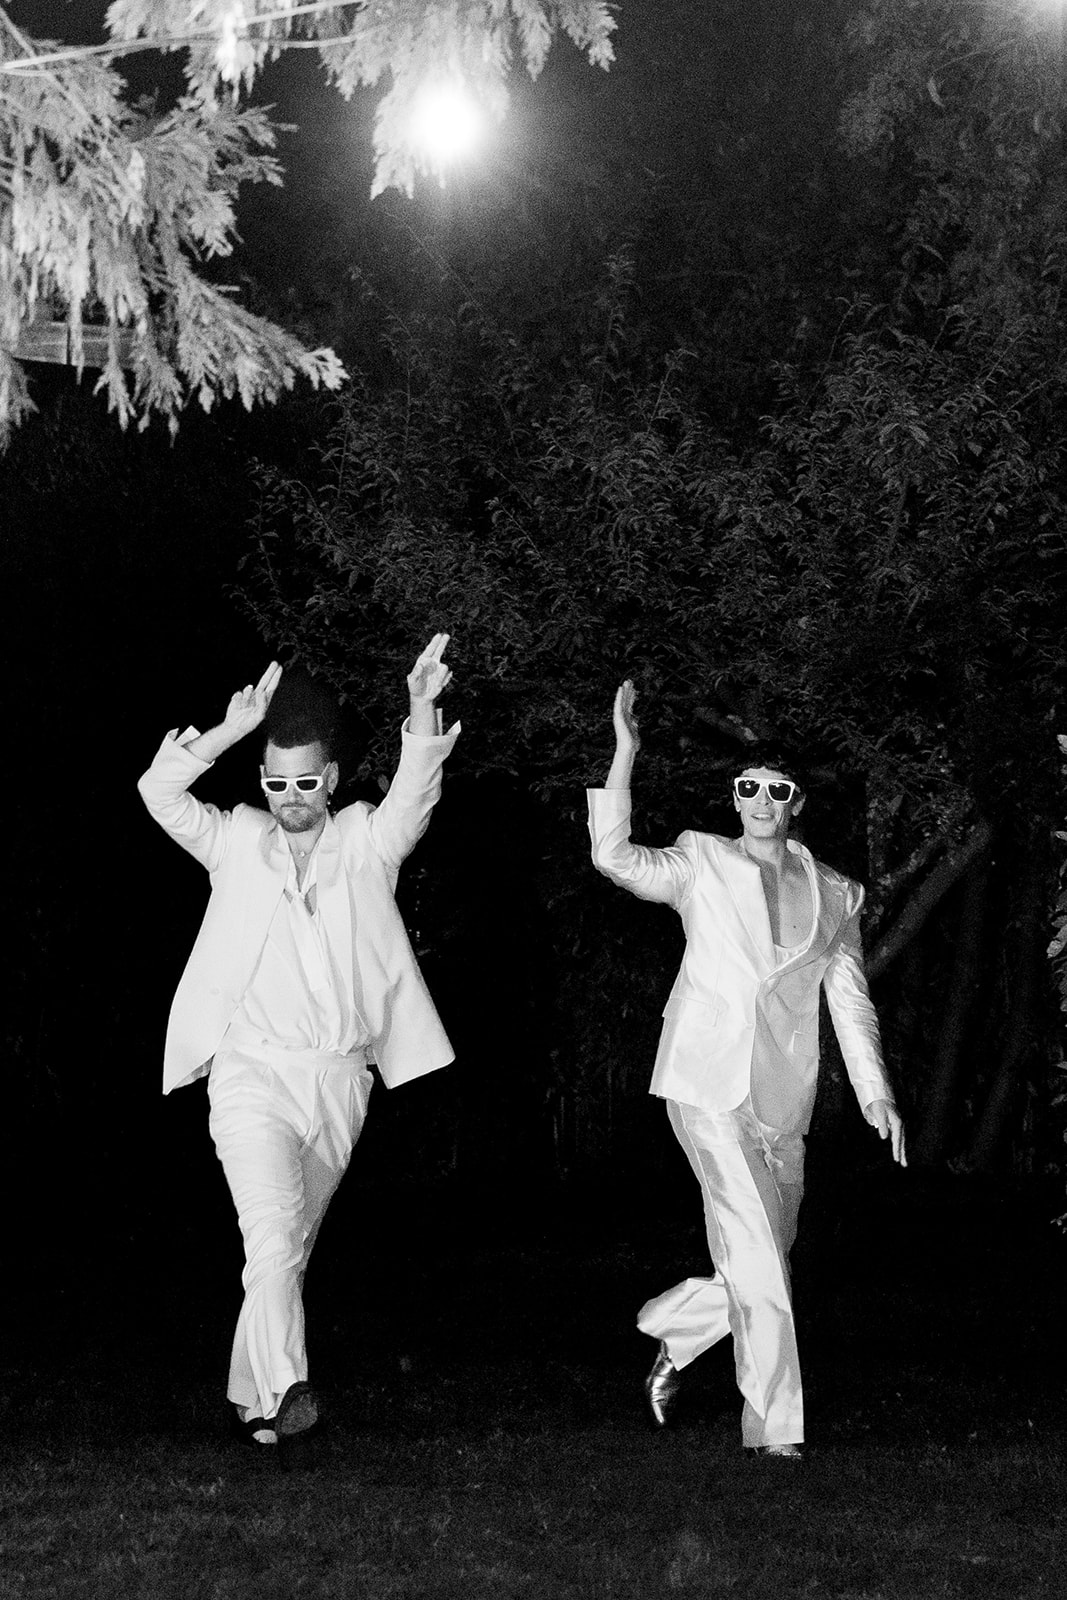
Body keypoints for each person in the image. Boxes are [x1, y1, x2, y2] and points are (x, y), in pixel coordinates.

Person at [138, 636, 459, 1448]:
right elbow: (159, 792)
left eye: (305, 781)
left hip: (339, 1082)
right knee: (273, 1235)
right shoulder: (235, 845)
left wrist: (421, 708)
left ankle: (256, 1402)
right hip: (251, 1078)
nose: (290, 796)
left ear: (331, 781)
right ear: (262, 783)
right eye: (276, 781)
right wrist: (227, 730)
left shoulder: (365, 846)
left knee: (287, 1251)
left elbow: (415, 797)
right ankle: (289, 1388)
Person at [587, 680, 905, 1458]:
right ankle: (774, 1431)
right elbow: (613, 856)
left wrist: (875, 1091)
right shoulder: (700, 861)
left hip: (782, 1097)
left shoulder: (838, 893)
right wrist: (625, 754)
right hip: (703, 1086)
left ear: (796, 802)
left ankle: (681, 1329)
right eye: (748, 788)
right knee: (760, 1261)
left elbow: (850, 1001)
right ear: (735, 797)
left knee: (766, 1257)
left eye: (776, 790)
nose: (760, 800)